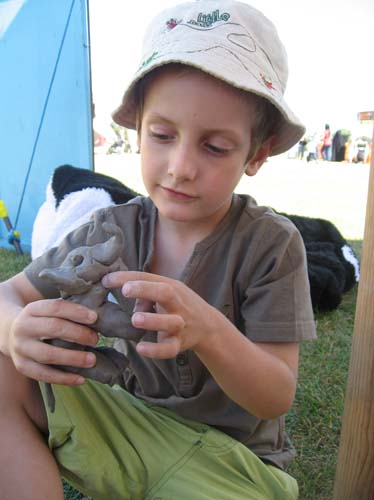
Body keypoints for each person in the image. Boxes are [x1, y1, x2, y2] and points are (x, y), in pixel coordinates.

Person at [0, 1, 316, 499]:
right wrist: (16, 327)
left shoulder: (271, 245)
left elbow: (275, 395)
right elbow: (6, 294)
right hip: (123, 428)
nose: (180, 166)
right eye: (163, 135)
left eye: (214, 147)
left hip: (228, 468)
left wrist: (208, 329)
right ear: (138, 128)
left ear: (256, 154)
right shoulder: (112, 230)